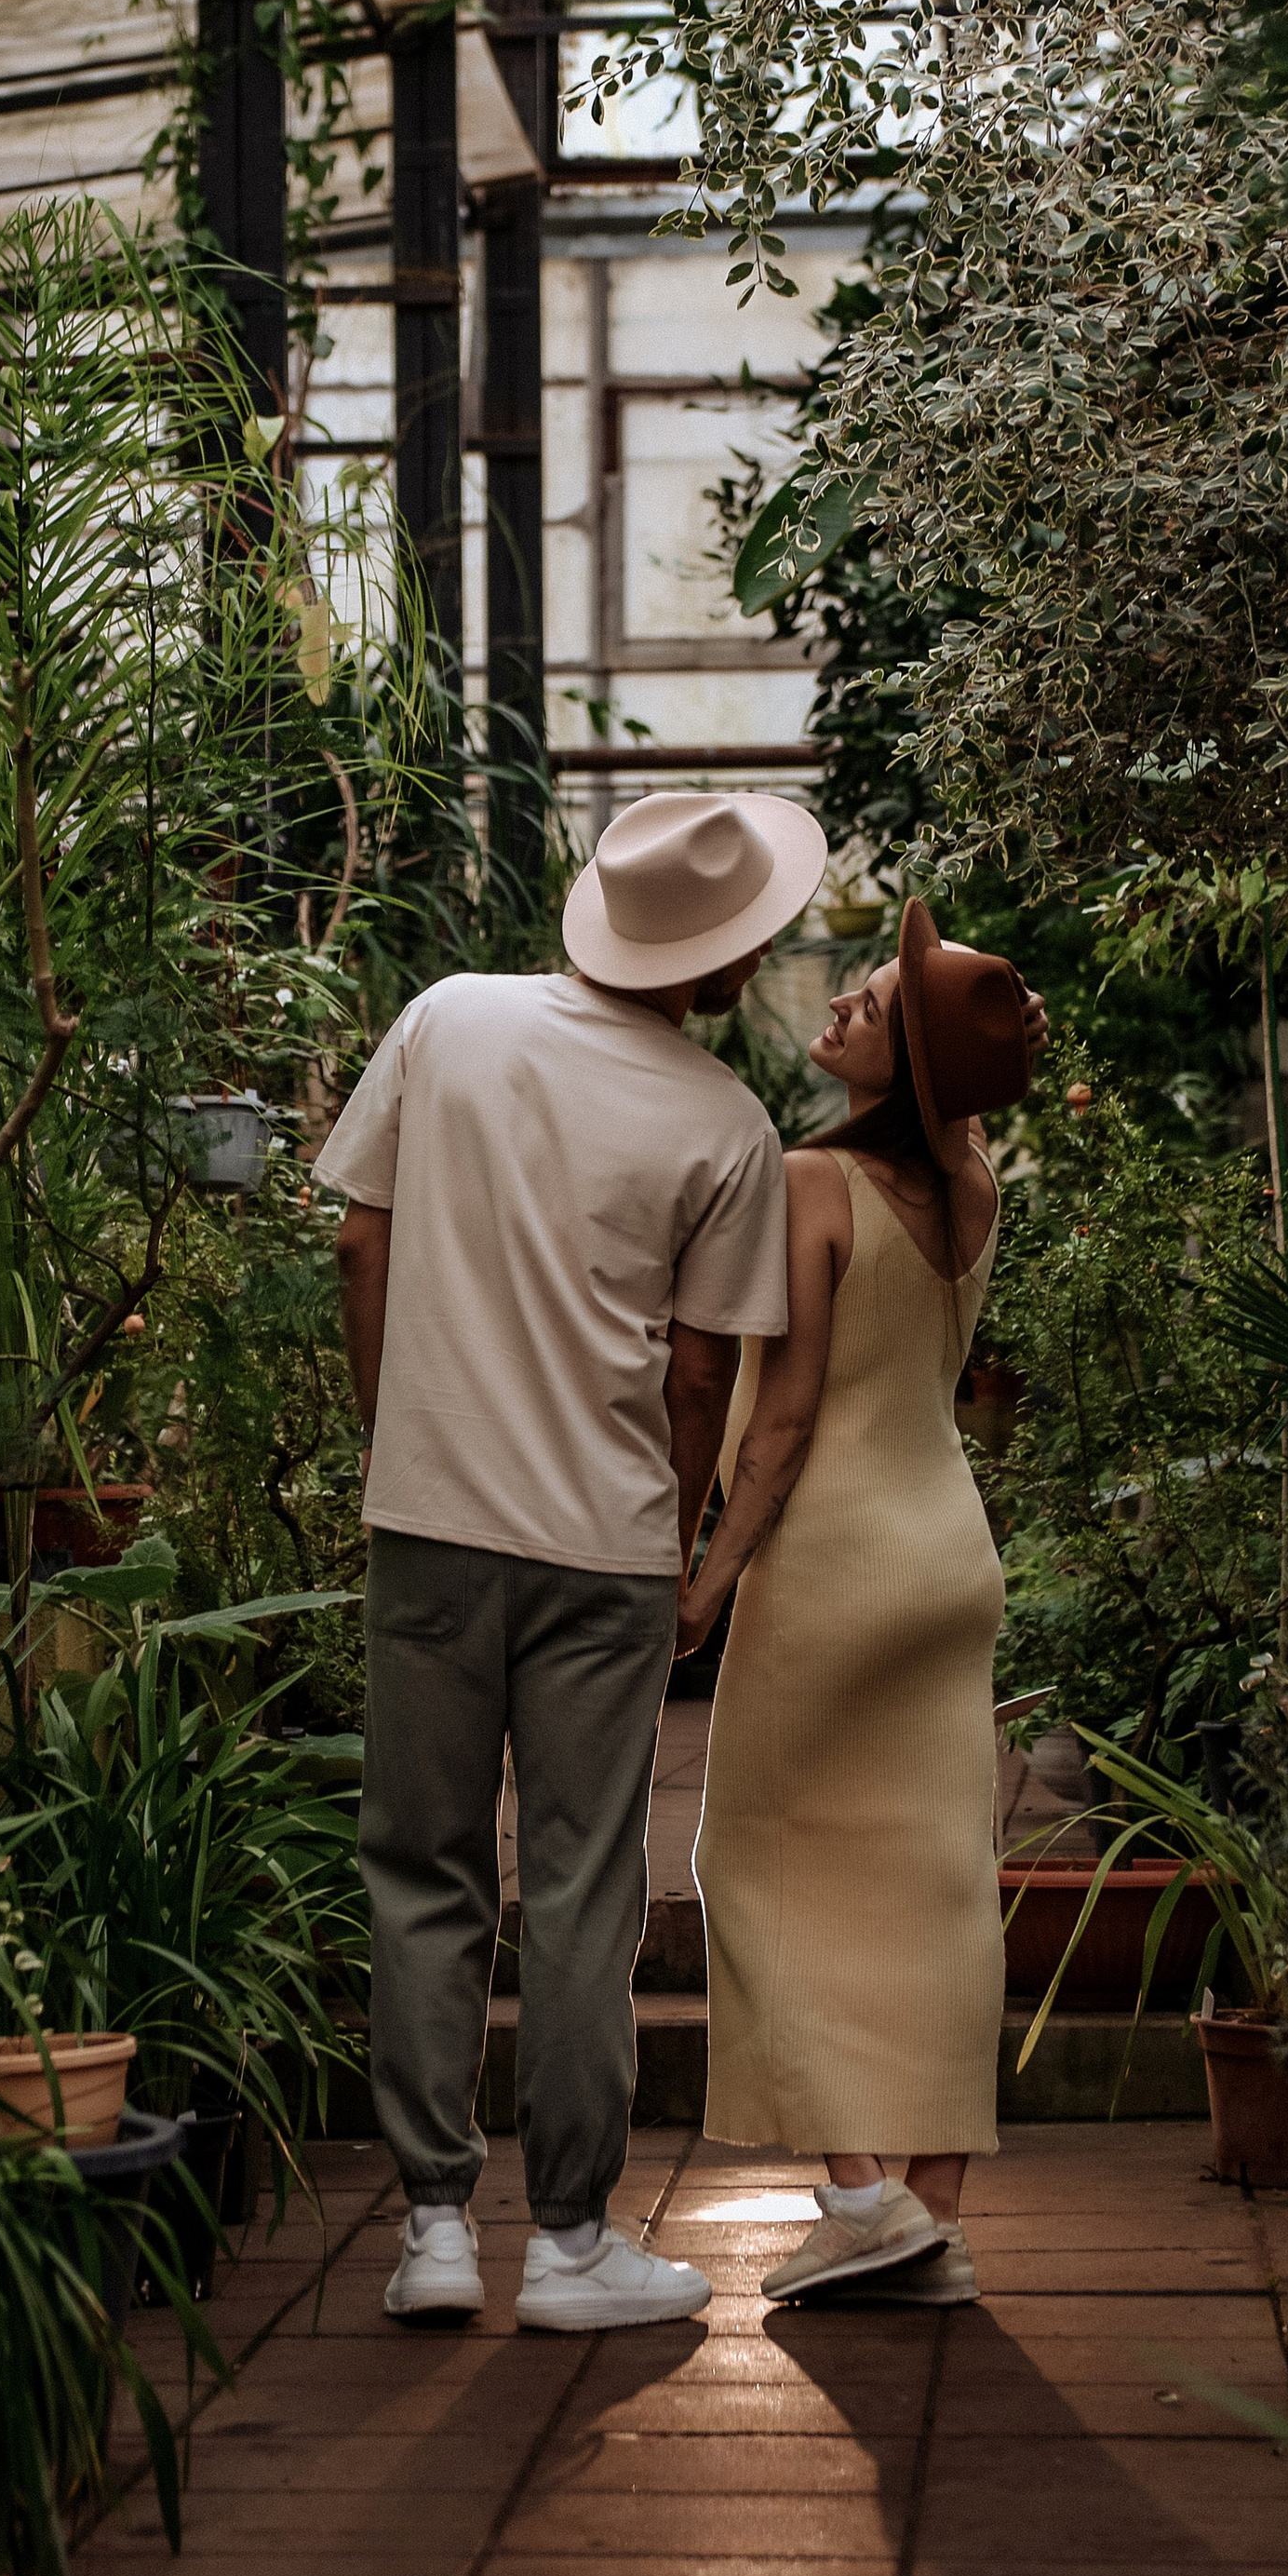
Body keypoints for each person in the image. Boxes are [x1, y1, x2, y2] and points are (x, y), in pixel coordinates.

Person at [318, 789, 830, 2330]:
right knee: (582, 1882)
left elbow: (357, 1240)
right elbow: (700, 1371)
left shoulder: (449, 1019)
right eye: (755, 940)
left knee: (422, 1867)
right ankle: (568, 2245)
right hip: (604, 1548)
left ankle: (430, 2229)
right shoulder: (726, 1126)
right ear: (716, 962)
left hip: (430, 1521)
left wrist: (399, 1434)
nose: (762, 958)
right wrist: (676, 1550)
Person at [684, 899, 1043, 2307]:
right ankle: (932, 2219)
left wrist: (708, 1581)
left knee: (749, 1870)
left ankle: (855, 2197)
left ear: (912, 1066)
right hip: (947, 1556)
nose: (840, 1003)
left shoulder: (810, 1184)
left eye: (874, 1005)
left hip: (831, 1562)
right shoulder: (975, 1184)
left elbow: (781, 1422)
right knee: (941, 1888)